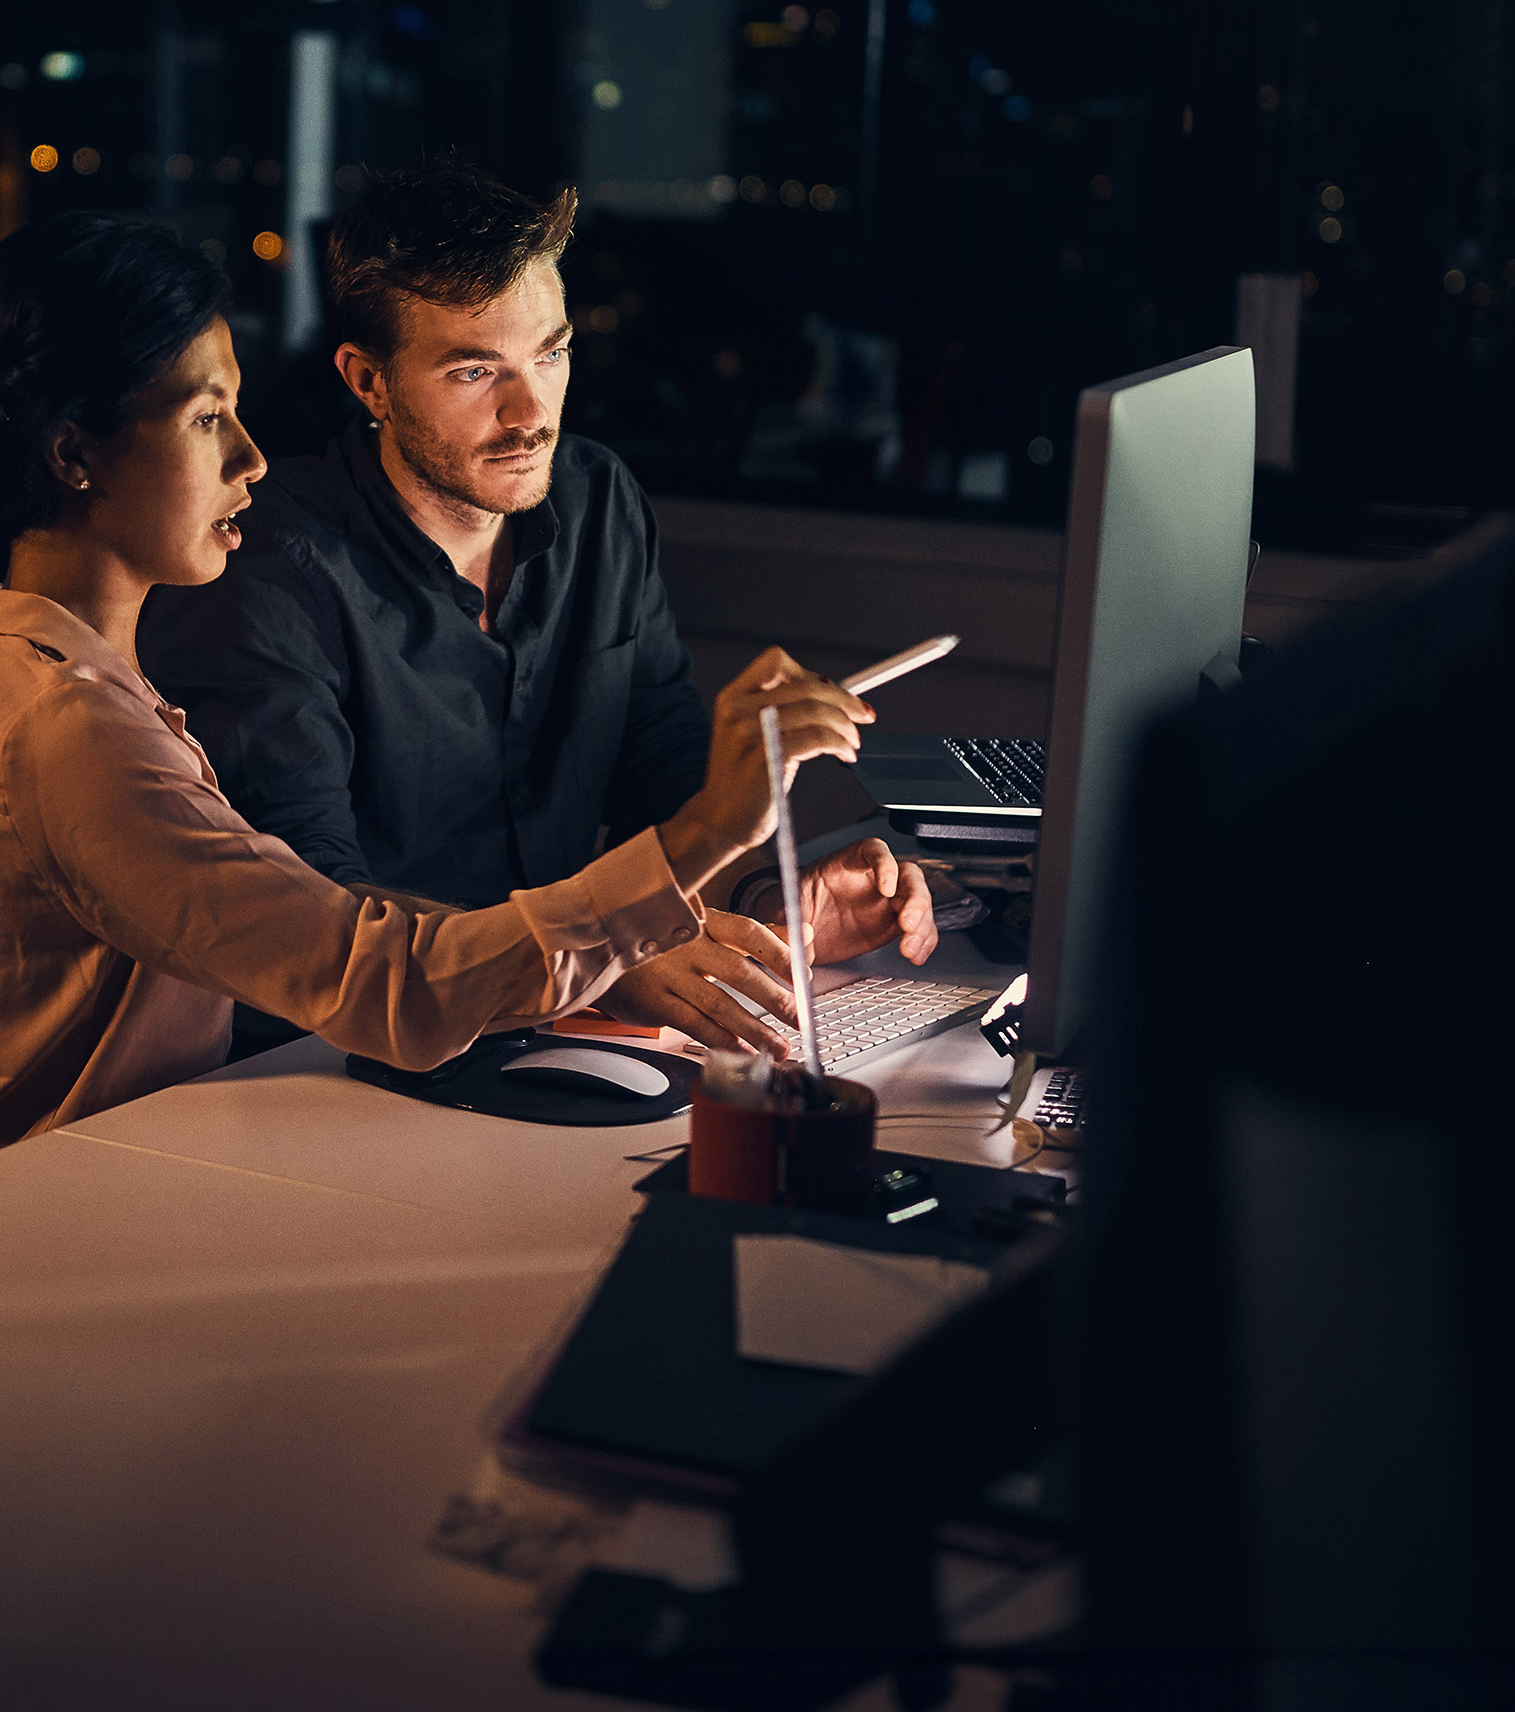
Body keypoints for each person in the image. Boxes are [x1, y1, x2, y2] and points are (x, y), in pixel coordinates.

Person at [0, 213, 875, 1188]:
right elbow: (383, 982)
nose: (250, 458)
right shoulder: (69, 725)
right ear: (73, 455)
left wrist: (758, 897)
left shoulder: (70, 675)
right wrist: (700, 842)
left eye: (552, 353)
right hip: (27, 1225)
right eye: (207, 417)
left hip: (149, 1167)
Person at [139, 158, 936, 1056]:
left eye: (549, 355)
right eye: (475, 372)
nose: (531, 414)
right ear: (369, 383)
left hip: (563, 1034)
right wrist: (601, 957)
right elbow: (315, 914)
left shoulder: (597, 501)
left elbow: (661, 773)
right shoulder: (265, 569)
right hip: (328, 1064)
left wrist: (764, 903)